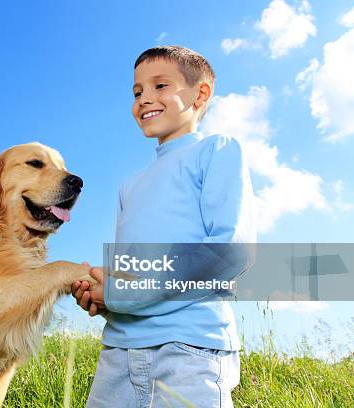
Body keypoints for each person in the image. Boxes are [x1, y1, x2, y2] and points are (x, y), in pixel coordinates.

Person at [72, 45, 257, 408]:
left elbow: (229, 252)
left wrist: (123, 295)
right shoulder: (129, 186)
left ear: (200, 93)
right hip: (119, 351)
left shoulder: (217, 150)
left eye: (160, 86)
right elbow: (137, 278)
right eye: (137, 91)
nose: (144, 99)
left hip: (189, 349)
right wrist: (105, 295)